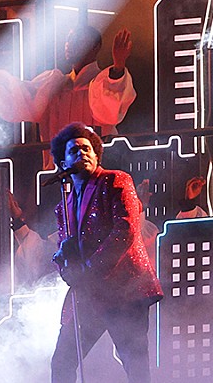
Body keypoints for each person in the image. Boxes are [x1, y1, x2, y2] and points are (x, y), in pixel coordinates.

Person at [49, 123, 162, 383]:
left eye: (87, 148)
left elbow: (126, 229)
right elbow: (63, 249)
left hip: (124, 290)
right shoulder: (63, 206)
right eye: (74, 150)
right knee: (62, 361)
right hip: (89, 295)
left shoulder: (115, 180)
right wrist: (66, 269)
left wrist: (89, 269)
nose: (82, 153)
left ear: (97, 155)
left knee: (134, 364)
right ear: (63, 163)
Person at [0, 25, 136, 162]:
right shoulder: (52, 85)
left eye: (77, 39)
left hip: (97, 172)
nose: (69, 44)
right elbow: (18, 99)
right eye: (68, 39)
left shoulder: (102, 84)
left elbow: (109, 113)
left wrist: (118, 67)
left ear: (95, 46)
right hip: (58, 172)